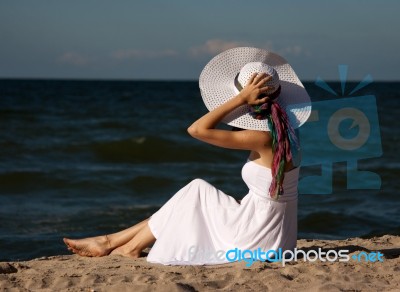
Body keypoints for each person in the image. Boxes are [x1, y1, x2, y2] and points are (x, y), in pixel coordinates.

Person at [63, 47, 311, 265]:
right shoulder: (287, 131)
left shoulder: (264, 138)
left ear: (250, 100)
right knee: (191, 198)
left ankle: (128, 247)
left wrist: (240, 98)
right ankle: (110, 241)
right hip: (275, 232)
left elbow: (196, 130)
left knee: (196, 191)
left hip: (259, 237)